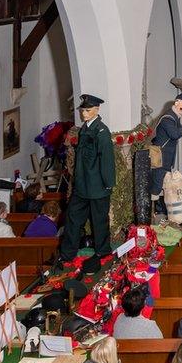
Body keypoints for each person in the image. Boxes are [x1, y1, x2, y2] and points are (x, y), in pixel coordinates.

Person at [60, 94, 116, 274]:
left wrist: (108, 184)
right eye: (82, 110)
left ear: (97, 110)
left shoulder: (101, 131)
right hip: (82, 186)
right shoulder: (85, 129)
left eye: (88, 110)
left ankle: (102, 252)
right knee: (73, 219)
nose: (84, 114)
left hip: (98, 187)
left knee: (99, 222)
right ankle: (67, 254)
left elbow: (106, 160)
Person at [151, 93, 182, 211]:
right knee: (157, 187)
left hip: (166, 158)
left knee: (163, 186)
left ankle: (161, 214)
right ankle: (154, 215)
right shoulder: (168, 118)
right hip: (160, 158)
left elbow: (181, 133)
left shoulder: (175, 117)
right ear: (176, 103)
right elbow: (174, 134)